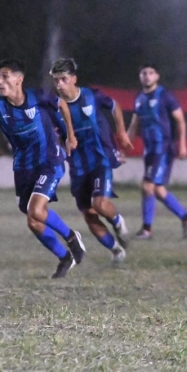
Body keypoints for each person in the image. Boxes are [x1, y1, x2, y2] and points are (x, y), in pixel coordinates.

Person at [0, 58, 87, 278]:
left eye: (5, 76)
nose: (0, 81)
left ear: (19, 79)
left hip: (49, 160)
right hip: (23, 166)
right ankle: (64, 258)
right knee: (33, 220)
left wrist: (70, 136)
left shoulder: (38, 97)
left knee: (36, 210)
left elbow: (63, 105)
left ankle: (72, 237)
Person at [50, 58, 135, 264]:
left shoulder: (91, 96)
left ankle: (117, 221)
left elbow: (115, 106)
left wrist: (122, 132)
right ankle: (116, 250)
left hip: (100, 160)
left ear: (74, 79)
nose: (59, 84)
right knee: (89, 215)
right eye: (56, 80)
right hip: (78, 168)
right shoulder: (55, 109)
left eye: (63, 79)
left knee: (99, 204)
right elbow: (57, 136)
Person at [126, 64, 187, 239]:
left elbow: (181, 121)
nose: (147, 76)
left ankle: (146, 230)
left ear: (157, 76)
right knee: (158, 190)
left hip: (162, 148)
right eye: (144, 73)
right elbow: (134, 125)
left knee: (147, 186)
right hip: (149, 149)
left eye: (151, 73)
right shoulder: (140, 98)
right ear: (140, 76)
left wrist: (182, 145)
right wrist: (125, 147)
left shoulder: (165, 96)